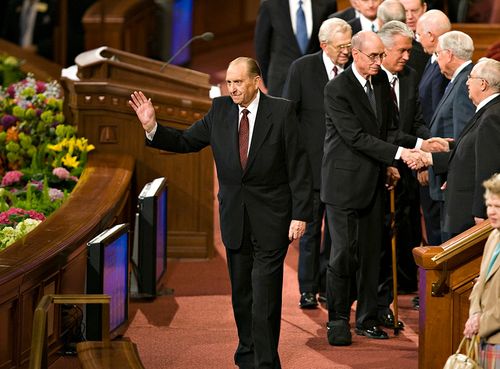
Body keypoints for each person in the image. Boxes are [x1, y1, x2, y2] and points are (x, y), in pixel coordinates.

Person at [129, 57, 312, 369]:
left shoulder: (281, 111)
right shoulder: (220, 110)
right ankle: (246, 355)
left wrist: (301, 214)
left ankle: (267, 362)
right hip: (234, 218)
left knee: (265, 295)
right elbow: (186, 141)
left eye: (239, 82)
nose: (233, 88)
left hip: (272, 218)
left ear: (256, 81)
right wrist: (152, 127)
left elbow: (299, 166)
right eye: (229, 82)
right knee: (241, 294)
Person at [321, 30, 428, 346]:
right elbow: (354, 137)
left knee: (371, 256)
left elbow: (391, 129)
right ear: (356, 54)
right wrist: (398, 155)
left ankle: (366, 318)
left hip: (374, 183)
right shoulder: (336, 89)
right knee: (343, 256)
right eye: (375, 56)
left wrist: (422, 144)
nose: (380, 62)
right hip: (343, 185)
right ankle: (337, 320)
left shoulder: (380, 82)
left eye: (382, 56)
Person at [283, 18, 352, 309]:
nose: (347, 52)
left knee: (336, 234)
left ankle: (327, 284)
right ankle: (308, 288)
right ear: (324, 45)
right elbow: (288, 115)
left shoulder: (353, 70)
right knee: (310, 231)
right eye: (341, 47)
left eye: (350, 45)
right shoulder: (302, 68)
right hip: (310, 166)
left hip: (342, 167)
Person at [377, 20, 433, 327]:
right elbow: (384, 131)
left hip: (409, 172)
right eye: (402, 50)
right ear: (383, 51)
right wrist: (416, 144)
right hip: (380, 170)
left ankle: (392, 298)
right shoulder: (371, 81)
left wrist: (427, 144)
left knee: (405, 235)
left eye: (410, 50)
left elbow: (417, 121)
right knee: (381, 243)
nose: (407, 57)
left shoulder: (411, 77)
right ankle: (379, 302)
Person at [415, 58, 500, 238]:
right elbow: (475, 148)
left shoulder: (492, 116)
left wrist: (481, 212)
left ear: (483, 84)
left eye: (471, 77)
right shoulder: (488, 111)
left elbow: (488, 168)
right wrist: (450, 146)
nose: (467, 82)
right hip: (464, 207)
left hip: (471, 213)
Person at [428, 30, 476, 242]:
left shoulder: (465, 83)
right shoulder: (459, 81)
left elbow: (464, 137)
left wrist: (452, 173)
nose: (437, 59)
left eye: (438, 54)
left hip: (452, 182)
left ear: (448, 54)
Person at [415, 9, 451, 246]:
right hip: (432, 157)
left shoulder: (442, 69)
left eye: (418, 34)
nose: (416, 39)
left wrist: (429, 161)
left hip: (436, 162)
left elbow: (440, 121)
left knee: (438, 225)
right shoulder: (432, 62)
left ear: (430, 35)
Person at [254, 0, 337, 97]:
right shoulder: (270, 4)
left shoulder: (327, 3)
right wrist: (268, 79)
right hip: (281, 82)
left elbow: (332, 40)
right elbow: (261, 47)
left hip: (316, 80)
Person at [464, 172, 500, 369]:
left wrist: (481, 323)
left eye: (498, 207)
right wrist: (474, 313)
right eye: (489, 206)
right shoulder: (494, 236)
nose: (491, 213)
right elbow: (481, 282)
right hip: (486, 337)